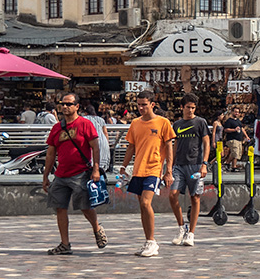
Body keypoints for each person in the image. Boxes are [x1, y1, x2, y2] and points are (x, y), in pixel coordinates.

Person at [42, 92, 106, 255]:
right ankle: (65, 243)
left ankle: (97, 228)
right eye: (62, 103)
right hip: (61, 174)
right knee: (59, 208)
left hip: (81, 173)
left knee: (85, 207)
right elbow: (50, 153)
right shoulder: (57, 128)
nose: (65, 106)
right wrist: (45, 176)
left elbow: (95, 147)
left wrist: (96, 169)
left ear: (77, 106)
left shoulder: (85, 124)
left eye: (69, 104)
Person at [118, 89, 175, 257]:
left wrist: (168, 171)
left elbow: (169, 147)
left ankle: (152, 241)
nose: (141, 108)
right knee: (142, 207)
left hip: (154, 169)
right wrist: (123, 166)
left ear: (152, 104)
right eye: (139, 105)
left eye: (144, 105)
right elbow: (131, 146)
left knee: (145, 203)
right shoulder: (135, 123)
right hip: (138, 169)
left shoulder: (163, 123)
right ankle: (148, 241)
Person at [169, 93, 210, 246]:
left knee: (195, 197)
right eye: (188, 107)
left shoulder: (201, 122)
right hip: (179, 164)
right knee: (173, 195)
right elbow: (175, 144)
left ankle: (191, 233)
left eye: (193, 108)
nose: (191, 110)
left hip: (196, 164)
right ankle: (181, 226)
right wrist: (170, 164)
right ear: (182, 107)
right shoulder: (177, 124)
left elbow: (206, 142)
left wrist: (204, 164)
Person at [82, 105, 111, 171]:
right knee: (101, 165)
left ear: (86, 113)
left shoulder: (83, 119)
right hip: (103, 141)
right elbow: (105, 133)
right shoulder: (101, 119)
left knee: (91, 164)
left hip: (91, 142)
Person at [223, 107, 249, 171]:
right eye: (235, 112)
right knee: (235, 153)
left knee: (238, 154)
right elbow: (226, 130)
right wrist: (234, 130)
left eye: (238, 112)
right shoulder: (229, 121)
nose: (237, 113)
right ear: (232, 112)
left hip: (239, 139)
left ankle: (233, 166)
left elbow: (242, 128)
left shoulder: (238, 121)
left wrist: (246, 136)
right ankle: (227, 163)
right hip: (232, 139)